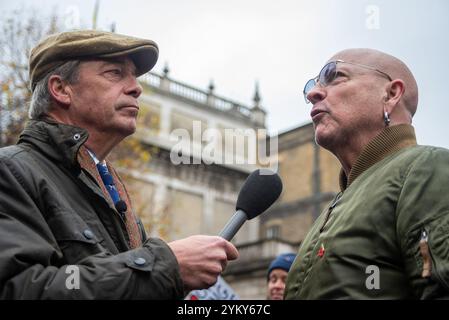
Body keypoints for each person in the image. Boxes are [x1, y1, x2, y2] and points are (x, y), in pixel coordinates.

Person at [0, 30, 238, 299]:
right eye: (114, 73)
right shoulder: (11, 171)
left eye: (134, 75)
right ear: (61, 89)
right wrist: (165, 265)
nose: (136, 87)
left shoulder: (107, 185)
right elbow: (22, 288)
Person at [285, 48, 449, 299]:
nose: (313, 93)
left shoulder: (427, 168)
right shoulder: (331, 210)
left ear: (391, 94)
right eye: (312, 85)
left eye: (334, 76)